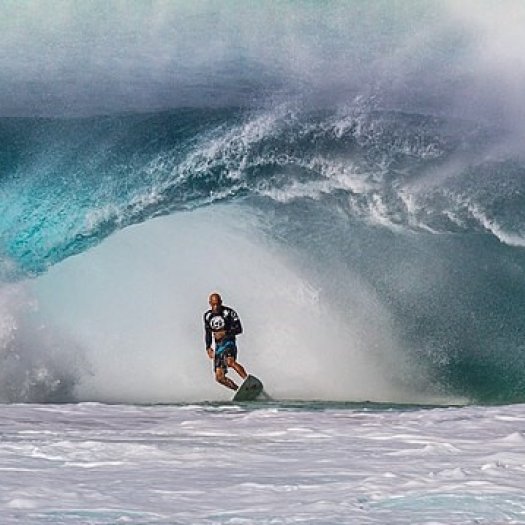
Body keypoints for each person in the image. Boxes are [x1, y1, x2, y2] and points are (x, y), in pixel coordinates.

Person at [203, 292, 247, 391]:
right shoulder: (207, 316)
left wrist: (225, 333)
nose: (216, 306)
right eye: (213, 304)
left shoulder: (229, 313)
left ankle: (247, 380)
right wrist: (208, 347)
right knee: (219, 377)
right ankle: (238, 390)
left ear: (221, 302)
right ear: (210, 303)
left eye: (218, 304)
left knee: (230, 362)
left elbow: (239, 329)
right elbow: (208, 333)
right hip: (218, 347)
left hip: (229, 343)